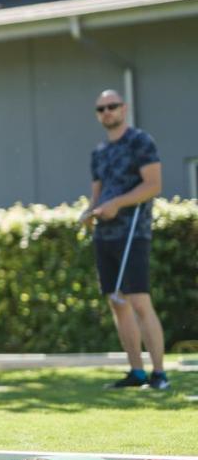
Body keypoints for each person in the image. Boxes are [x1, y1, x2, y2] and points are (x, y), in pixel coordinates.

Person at [80, 90, 168, 390]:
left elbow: (153, 185)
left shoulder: (141, 142)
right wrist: (90, 213)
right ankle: (136, 372)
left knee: (139, 301)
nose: (107, 112)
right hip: (104, 235)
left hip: (133, 232)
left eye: (112, 106)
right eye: (101, 108)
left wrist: (118, 203)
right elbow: (97, 195)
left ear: (124, 109)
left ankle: (159, 375)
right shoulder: (99, 152)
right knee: (118, 304)